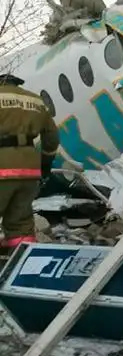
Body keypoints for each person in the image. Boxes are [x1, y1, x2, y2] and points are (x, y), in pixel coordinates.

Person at [0, 74, 60, 248]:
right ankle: (22, 264)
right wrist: (46, 163)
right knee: (21, 225)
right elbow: (52, 137)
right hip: (28, 172)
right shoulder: (35, 100)